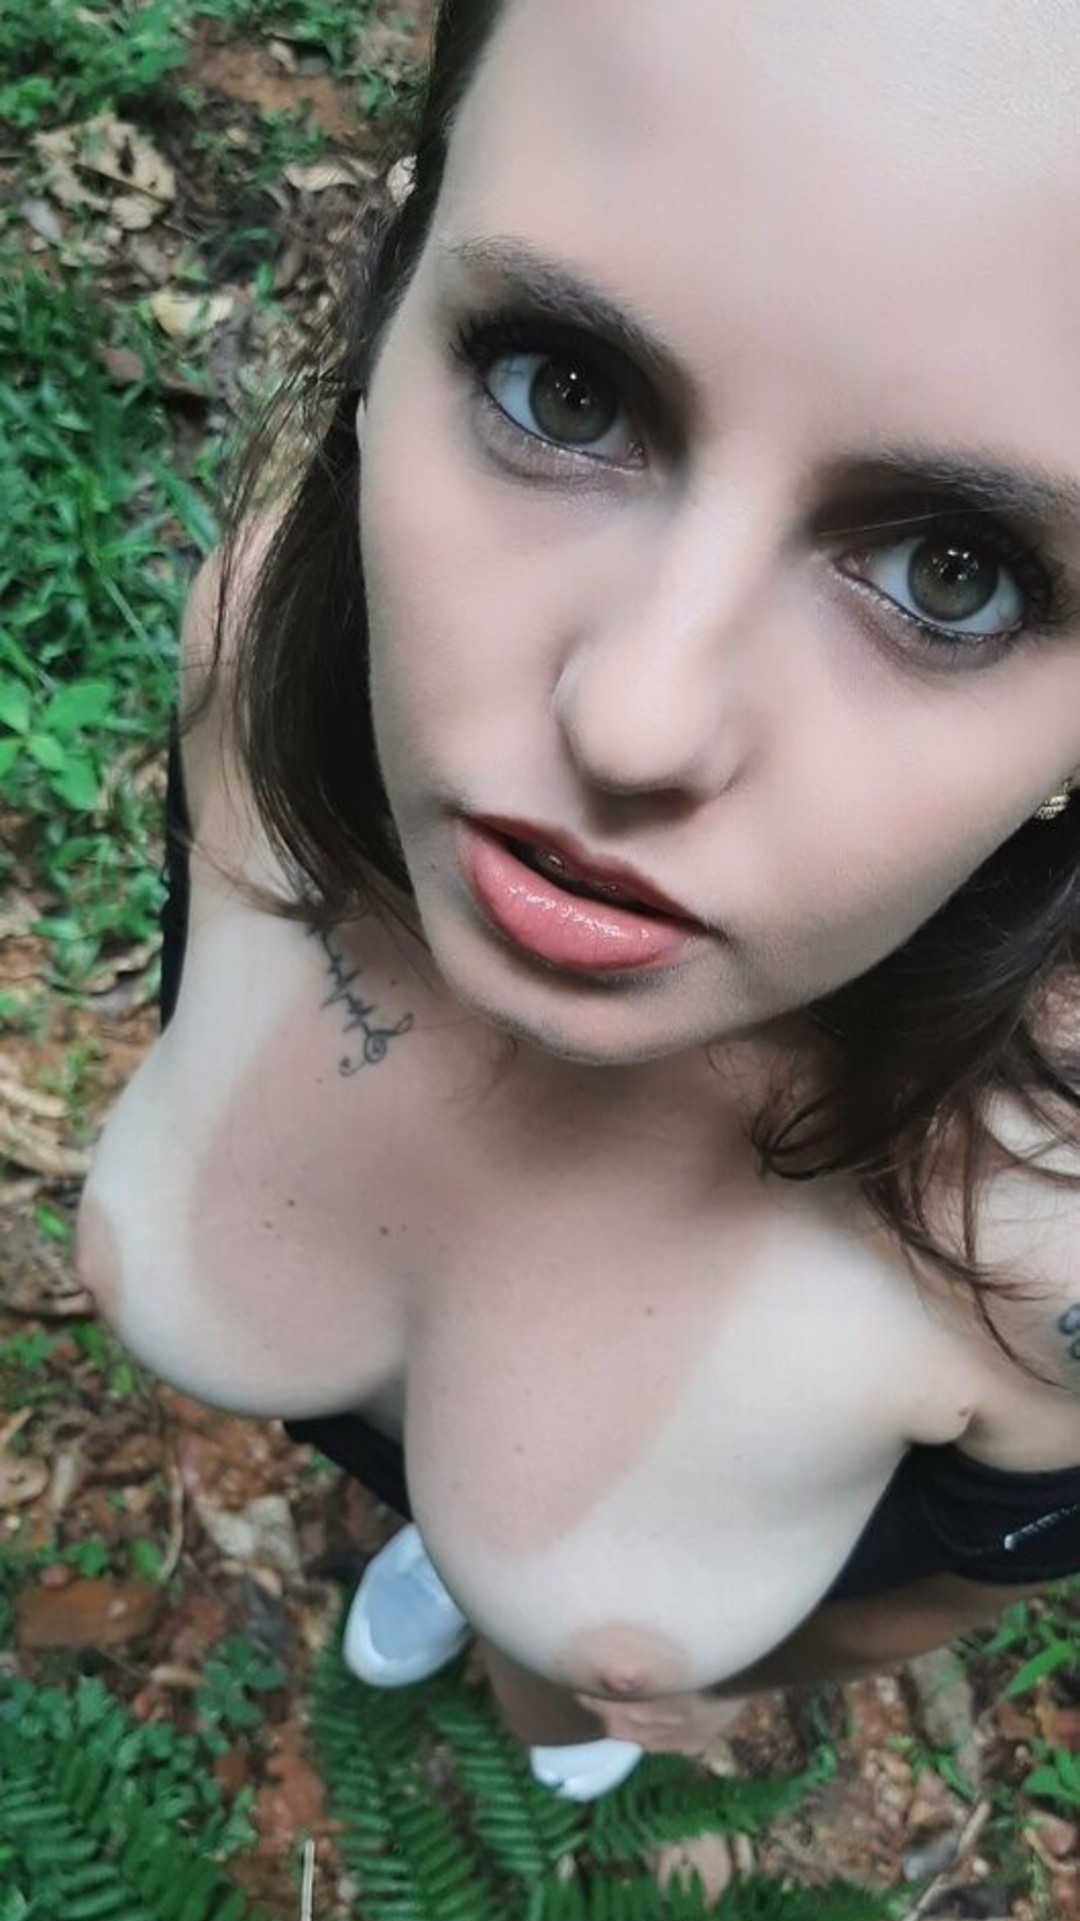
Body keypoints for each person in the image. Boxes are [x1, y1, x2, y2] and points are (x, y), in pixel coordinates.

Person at [77, 0, 1080, 1804]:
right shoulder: (262, 654)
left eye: (957, 574)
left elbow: (938, 1590)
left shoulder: (1050, 1236)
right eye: (565, 386)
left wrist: (710, 1676)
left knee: (578, 1685)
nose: (632, 720)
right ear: (387, 303)